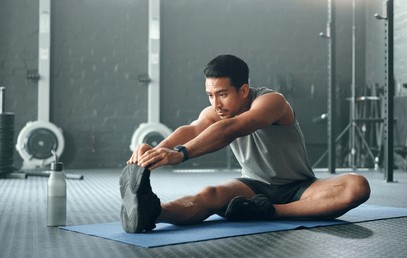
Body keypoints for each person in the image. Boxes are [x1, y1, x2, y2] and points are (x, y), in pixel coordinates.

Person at [120, 54, 370, 233]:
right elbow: (192, 129)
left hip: (299, 187)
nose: (216, 103)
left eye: (222, 94)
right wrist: (152, 151)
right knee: (209, 195)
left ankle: (271, 211)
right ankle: (151, 212)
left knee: (357, 186)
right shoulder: (216, 111)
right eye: (210, 95)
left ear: (243, 90)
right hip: (252, 186)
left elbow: (232, 129)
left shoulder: (272, 102)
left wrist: (181, 154)